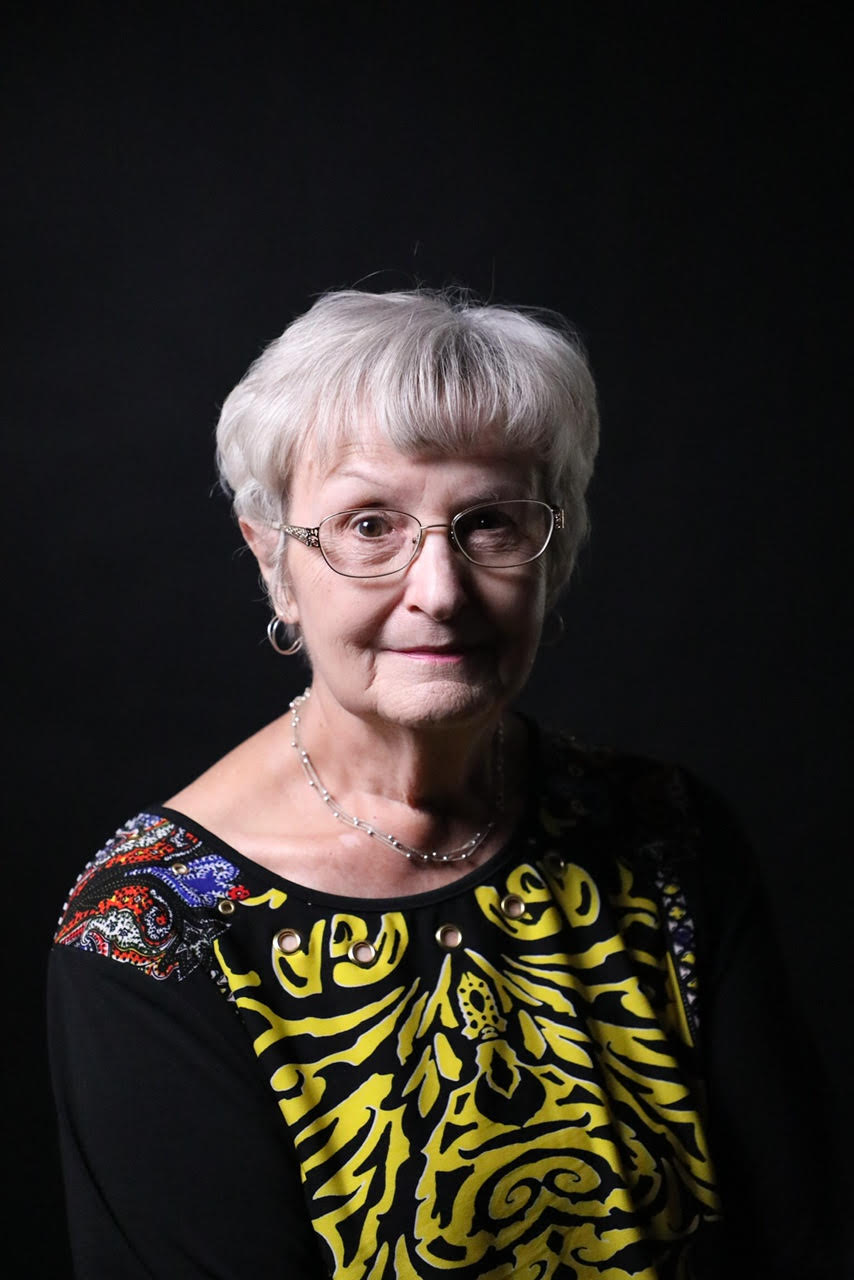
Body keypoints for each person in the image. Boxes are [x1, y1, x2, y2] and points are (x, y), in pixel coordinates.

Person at [47, 287, 841, 1279]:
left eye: (490, 522)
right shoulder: (151, 929)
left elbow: (802, 1240)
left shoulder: (669, 832)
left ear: (555, 550)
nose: (440, 589)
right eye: (369, 524)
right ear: (275, 560)